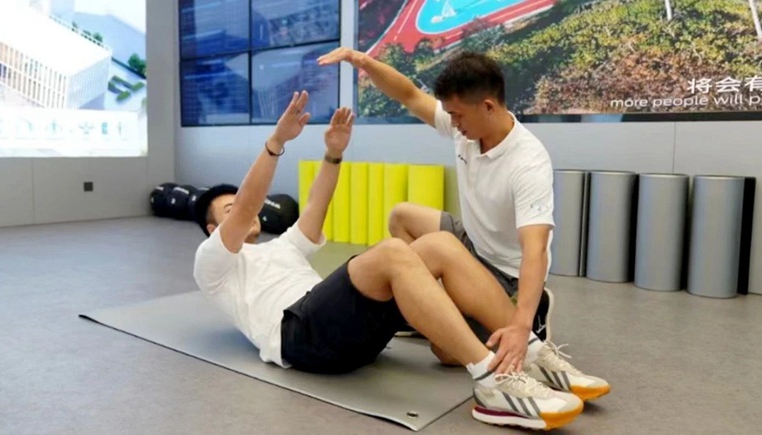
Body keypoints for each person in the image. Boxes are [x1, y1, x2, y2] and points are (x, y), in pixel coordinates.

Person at [192, 91, 583, 430]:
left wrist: (333, 154)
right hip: (299, 337)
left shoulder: (283, 247)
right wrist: (277, 142)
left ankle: (529, 351)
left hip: (344, 331)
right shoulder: (213, 264)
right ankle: (492, 380)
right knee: (393, 252)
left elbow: (315, 207)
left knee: (440, 244)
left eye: (236, 205)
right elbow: (247, 207)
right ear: (212, 229)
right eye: (227, 210)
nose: (240, 212)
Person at [317, 48, 610, 400]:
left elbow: (535, 251)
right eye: (450, 115)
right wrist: (363, 62)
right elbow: (408, 94)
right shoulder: (467, 127)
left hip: (505, 271)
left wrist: (520, 326)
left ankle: (528, 318)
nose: (452, 123)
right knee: (401, 216)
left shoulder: (528, 162)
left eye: (457, 115)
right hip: (471, 239)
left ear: (488, 106)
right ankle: (431, 303)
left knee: (445, 352)